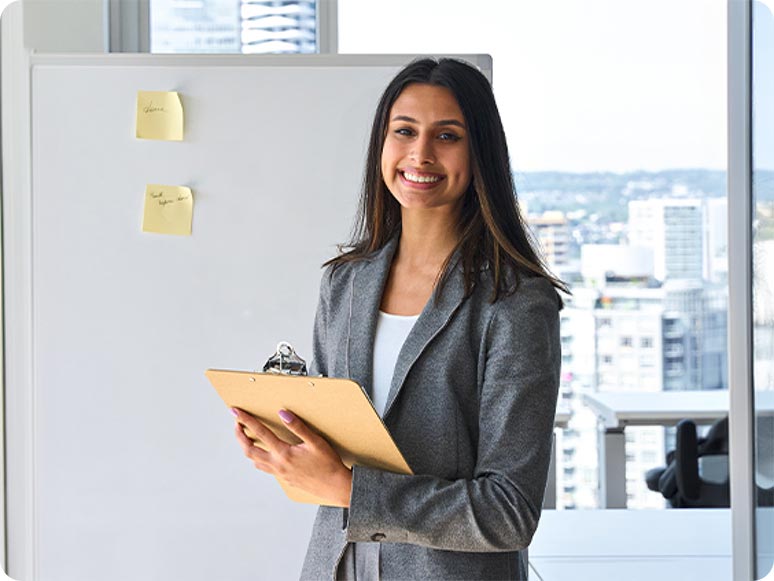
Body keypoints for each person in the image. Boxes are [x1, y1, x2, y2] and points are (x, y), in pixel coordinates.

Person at [231, 57, 568, 580]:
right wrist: (285, 445)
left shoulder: (516, 303)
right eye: (404, 131)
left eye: (447, 135)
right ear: (381, 146)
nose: (420, 153)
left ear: (480, 153)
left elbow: (509, 513)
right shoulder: (344, 285)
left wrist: (350, 488)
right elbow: (333, 455)